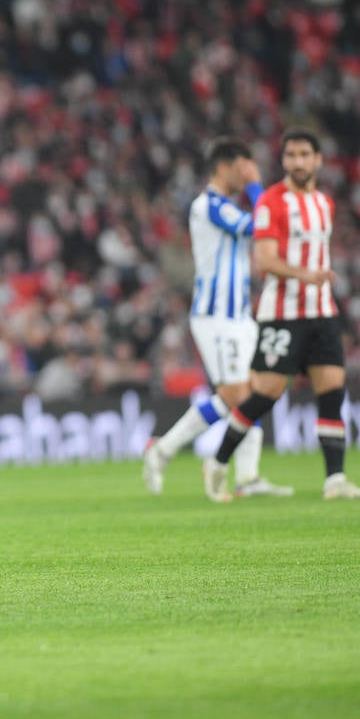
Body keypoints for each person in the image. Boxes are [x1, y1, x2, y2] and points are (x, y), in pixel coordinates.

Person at [206, 130, 360, 501]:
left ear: (318, 160)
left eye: (304, 155)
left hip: (322, 311)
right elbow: (263, 260)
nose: (297, 162)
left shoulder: (324, 204)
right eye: (291, 155)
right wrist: (305, 276)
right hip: (282, 314)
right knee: (266, 394)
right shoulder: (270, 202)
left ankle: (335, 480)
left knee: (331, 392)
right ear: (283, 161)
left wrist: (317, 282)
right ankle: (217, 462)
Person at [143, 138, 293, 500]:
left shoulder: (223, 205)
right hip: (215, 316)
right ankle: (164, 450)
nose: (246, 174)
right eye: (243, 167)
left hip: (239, 315)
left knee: (255, 392)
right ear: (224, 167)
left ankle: (246, 476)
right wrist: (258, 186)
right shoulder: (207, 206)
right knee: (234, 395)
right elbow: (258, 226)